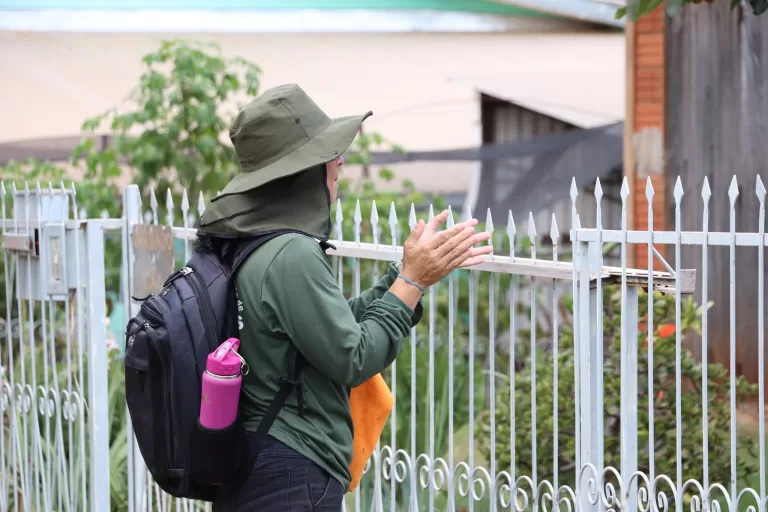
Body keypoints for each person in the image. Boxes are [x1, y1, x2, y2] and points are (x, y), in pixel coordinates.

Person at [196, 84, 492, 511]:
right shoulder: (289, 254)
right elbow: (352, 357)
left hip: (257, 456)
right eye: (328, 157)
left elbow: (321, 333)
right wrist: (411, 283)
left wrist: (402, 276)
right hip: (290, 470)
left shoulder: (249, 242)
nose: (338, 165)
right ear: (300, 174)